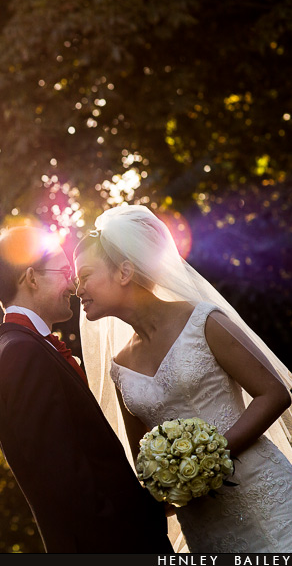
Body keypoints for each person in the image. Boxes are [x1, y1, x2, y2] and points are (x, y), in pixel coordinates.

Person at [74, 204, 292, 553]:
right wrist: (167, 487)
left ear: (125, 272)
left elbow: (274, 393)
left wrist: (212, 456)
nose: (78, 289)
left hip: (266, 499)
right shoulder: (120, 367)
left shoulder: (203, 321)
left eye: (84, 275)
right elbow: (143, 460)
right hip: (204, 527)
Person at [0, 225, 173, 553]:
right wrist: (138, 525)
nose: (72, 283)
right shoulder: (20, 353)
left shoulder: (21, 348)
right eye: (64, 271)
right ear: (32, 278)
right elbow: (65, 479)